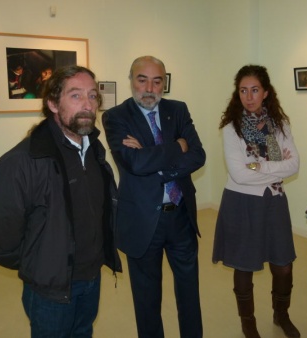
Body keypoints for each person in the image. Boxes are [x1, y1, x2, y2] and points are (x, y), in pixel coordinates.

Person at [0, 65, 122, 337]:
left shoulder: (94, 149)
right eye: (76, 96)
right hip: (50, 288)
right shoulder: (22, 162)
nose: (88, 105)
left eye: (93, 96)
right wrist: (40, 266)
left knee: (83, 332)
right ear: (53, 104)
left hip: (92, 276)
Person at [103, 55, 206, 338]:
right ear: (131, 80)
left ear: (165, 83)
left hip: (181, 216)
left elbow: (198, 155)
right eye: (142, 79)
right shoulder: (115, 117)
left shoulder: (178, 109)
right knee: (147, 300)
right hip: (142, 221)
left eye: (157, 80)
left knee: (189, 292)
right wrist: (177, 147)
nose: (149, 87)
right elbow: (133, 164)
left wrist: (152, 160)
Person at [212, 65, 300, 338]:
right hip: (241, 203)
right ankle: (247, 321)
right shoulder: (231, 129)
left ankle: (281, 315)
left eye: (254, 90)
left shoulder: (280, 125)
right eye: (243, 91)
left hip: (274, 200)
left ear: (265, 93)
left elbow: (294, 165)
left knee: (283, 265)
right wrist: (274, 166)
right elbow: (238, 174)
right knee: (245, 264)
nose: (248, 96)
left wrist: (257, 167)